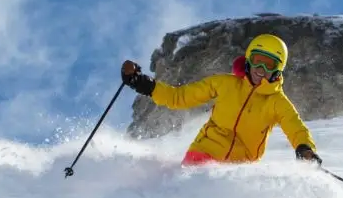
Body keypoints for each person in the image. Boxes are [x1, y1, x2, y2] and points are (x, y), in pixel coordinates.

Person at [120, 34, 323, 167]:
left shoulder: (277, 102)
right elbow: (179, 98)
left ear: (278, 70)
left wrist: (304, 148)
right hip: (202, 154)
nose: (261, 71)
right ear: (249, 60)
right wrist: (142, 83)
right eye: (258, 62)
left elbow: (295, 127)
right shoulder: (225, 83)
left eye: (269, 65)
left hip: (238, 168)